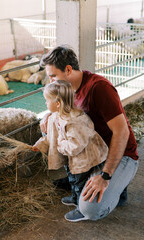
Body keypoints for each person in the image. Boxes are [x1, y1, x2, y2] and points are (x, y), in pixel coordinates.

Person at [39, 45, 139, 222]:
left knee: (90, 210)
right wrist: (50, 116)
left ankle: (117, 187)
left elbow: (121, 132)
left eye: (53, 76)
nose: (51, 82)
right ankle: (82, 181)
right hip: (91, 151)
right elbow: (64, 112)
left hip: (120, 154)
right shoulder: (66, 90)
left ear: (68, 70)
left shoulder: (99, 88)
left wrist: (106, 175)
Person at [32, 80, 109, 217]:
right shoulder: (57, 116)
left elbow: (74, 146)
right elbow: (52, 136)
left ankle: (81, 208)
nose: (45, 103)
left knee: (80, 181)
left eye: (47, 100)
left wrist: (60, 144)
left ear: (58, 103)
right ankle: (74, 197)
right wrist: (40, 145)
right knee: (72, 177)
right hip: (72, 158)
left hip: (84, 159)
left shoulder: (75, 122)